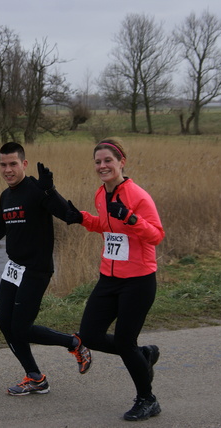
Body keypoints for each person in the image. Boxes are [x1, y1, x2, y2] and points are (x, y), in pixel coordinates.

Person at [43, 137, 165, 421]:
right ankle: (142, 355)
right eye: (98, 161)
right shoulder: (102, 194)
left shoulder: (138, 195)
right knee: (90, 335)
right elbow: (105, 225)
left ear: (122, 162)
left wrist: (133, 219)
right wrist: (81, 217)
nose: (102, 166)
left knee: (124, 341)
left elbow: (156, 235)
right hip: (109, 279)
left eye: (108, 160)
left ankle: (148, 399)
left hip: (138, 280)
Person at [0, 141, 91, 396]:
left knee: (21, 327)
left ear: (23, 164)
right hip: (13, 268)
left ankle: (74, 342)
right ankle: (35, 377)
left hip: (36, 269)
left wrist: (50, 191)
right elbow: (2, 227)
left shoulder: (36, 188)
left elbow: (67, 215)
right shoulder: (6, 195)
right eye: (3, 164)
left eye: (13, 164)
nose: (8, 169)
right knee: (5, 323)